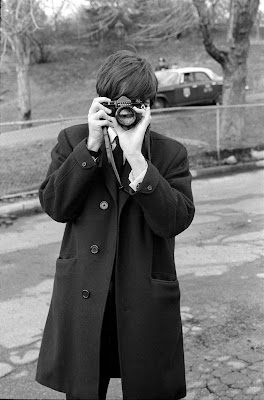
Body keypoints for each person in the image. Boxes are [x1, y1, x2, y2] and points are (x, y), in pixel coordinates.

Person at [35, 50, 195, 400]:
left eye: (137, 102)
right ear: (101, 102)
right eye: (117, 101)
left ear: (149, 106)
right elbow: (55, 205)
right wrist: (91, 146)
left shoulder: (169, 154)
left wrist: (137, 159)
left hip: (141, 298)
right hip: (85, 296)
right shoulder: (72, 140)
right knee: (85, 388)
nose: (126, 111)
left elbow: (176, 220)